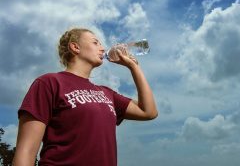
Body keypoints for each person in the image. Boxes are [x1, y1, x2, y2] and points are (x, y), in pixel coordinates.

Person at [12, 28, 158, 166]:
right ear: (75, 47)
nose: (102, 48)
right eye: (95, 43)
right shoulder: (49, 82)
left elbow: (149, 112)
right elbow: (26, 151)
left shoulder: (106, 93)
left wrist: (133, 67)